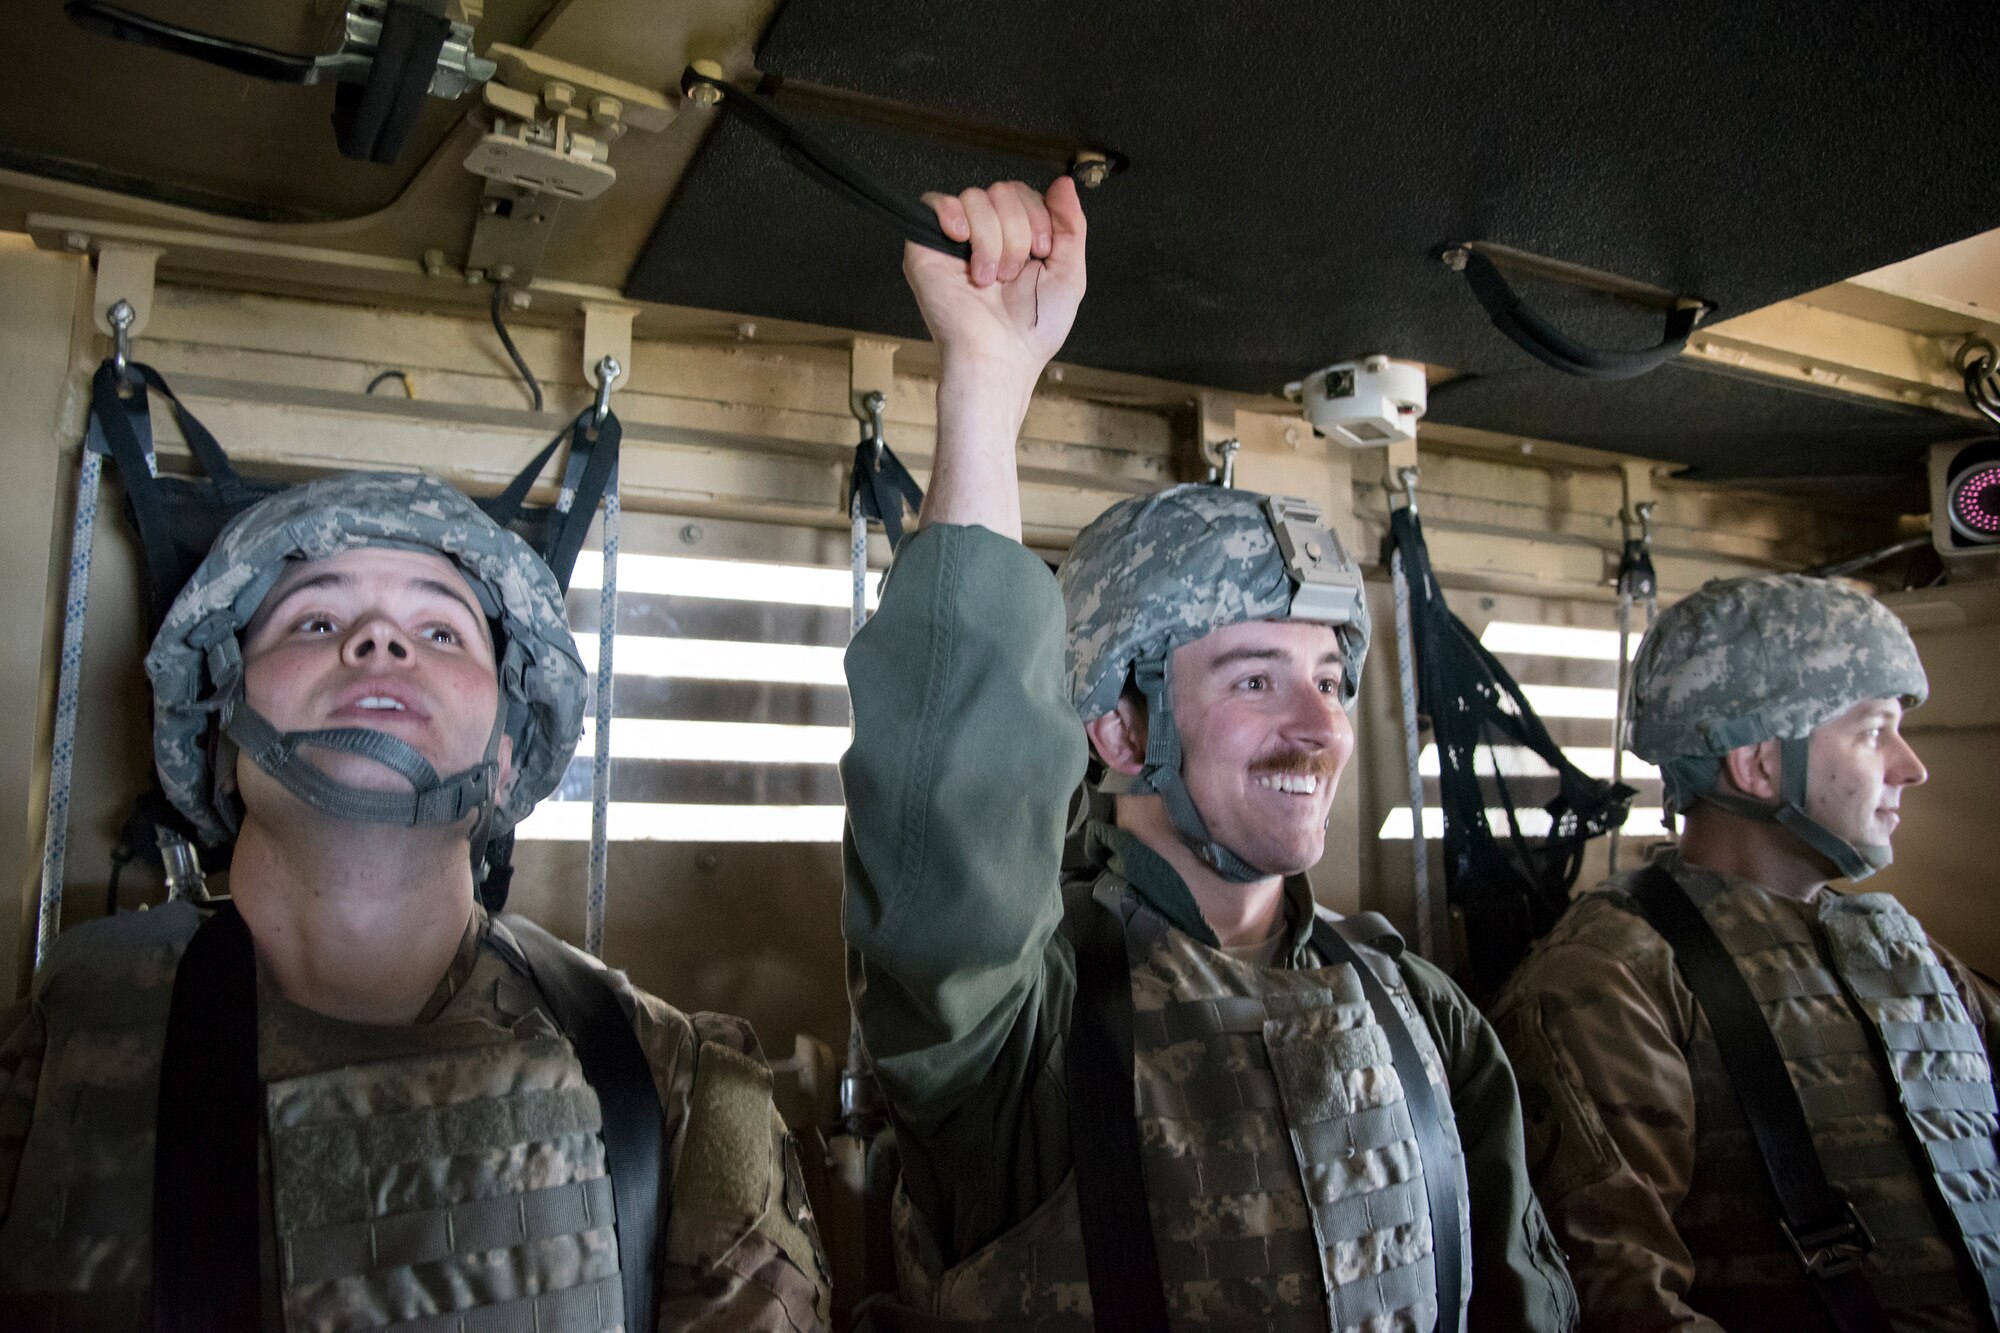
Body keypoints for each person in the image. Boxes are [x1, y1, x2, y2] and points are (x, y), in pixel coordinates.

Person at [840, 176, 1575, 1329]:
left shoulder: (1426, 1018)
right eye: (1252, 678)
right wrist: (986, 384)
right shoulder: (1019, 1027)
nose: (1322, 725)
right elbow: (953, 807)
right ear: (1119, 726)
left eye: (1329, 680)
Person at [0, 472, 830, 1331]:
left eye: (438, 629)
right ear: (219, 731)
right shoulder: (50, 1062)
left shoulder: (672, 1088)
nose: (377, 642)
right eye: (315, 621)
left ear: (506, 756)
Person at [1492, 573, 2000, 1330]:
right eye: (1872, 730)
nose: (1909, 766)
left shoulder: (1905, 948)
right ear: (1759, 762)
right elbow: (1617, 1299)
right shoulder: (1610, 976)